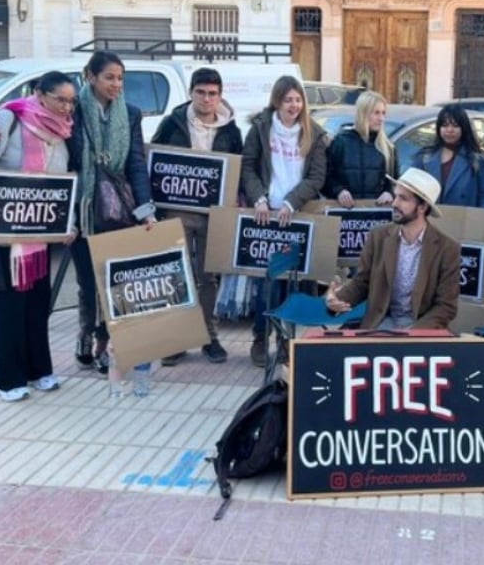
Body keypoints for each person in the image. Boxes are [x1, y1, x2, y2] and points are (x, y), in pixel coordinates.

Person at [0, 72, 77, 401]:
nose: (66, 107)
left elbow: (62, 183)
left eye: (70, 101)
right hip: (0, 232)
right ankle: (5, 378)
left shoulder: (63, 132)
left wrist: (68, 221)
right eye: (59, 99)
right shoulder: (6, 120)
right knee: (6, 307)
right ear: (39, 93)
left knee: (36, 306)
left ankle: (38, 370)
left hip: (37, 235)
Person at [68, 52, 157, 373]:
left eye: (120, 78)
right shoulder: (72, 109)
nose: (116, 84)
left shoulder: (131, 115)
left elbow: (135, 163)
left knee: (113, 281)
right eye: (109, 77)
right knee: (88, 283)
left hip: (119, 210)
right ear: (90, 76)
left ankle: (105, 345)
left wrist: (146, 211)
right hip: (83, 210)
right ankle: (85, 333)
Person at [151, 67, 243, 366]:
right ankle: (175, 341)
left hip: (212, 215)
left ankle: (209, 337)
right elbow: (154, 158)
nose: (206, 99)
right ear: (191, 93)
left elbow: (238, 170)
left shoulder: (231, 130)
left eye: (212, 93)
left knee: (208, 276)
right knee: (175, 273)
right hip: (176, 209)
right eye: (201, 92)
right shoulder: (172, 123)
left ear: (220, 96)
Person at [240, 74, 328, 367]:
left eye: (298, 99)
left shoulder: (313, 133)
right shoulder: (260, 129)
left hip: (297, 216)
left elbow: (317, 176)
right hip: (266, 217)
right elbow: (248, 168)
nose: (294, 105)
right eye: (288, 99)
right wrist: (259, 199)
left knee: (291, 285)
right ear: (277, 101)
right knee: (266, 284)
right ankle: (259, 339)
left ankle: (286, 341)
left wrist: (292, 201)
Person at [324, 168, 460, 330]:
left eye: (403, 199)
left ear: (422, 207)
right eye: (395, 196)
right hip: (381, 323)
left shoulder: (447, 248)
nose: (395, 203)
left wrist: (412, 334)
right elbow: (362, 283)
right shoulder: (378, 237)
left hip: (421, 328)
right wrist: (336, 299)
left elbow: (446, 307)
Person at [413, 103, 484, 210]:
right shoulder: (425, 158)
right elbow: (410, 190)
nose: (449, 130)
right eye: (445, 125)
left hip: (463, 221)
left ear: (463, 128)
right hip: (429, 221)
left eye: (455, 125)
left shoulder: (476, 160)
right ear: (439, 128)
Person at [323, 90, 395, 207]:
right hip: (346, 215)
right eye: (376, 113)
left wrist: (389, 193)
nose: (381, 118)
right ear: (363, 113)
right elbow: (324, 178)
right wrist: (338, 191)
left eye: (383, 113)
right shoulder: (341, 142)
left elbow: (394, 182)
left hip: (377, 215)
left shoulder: (388, 147)